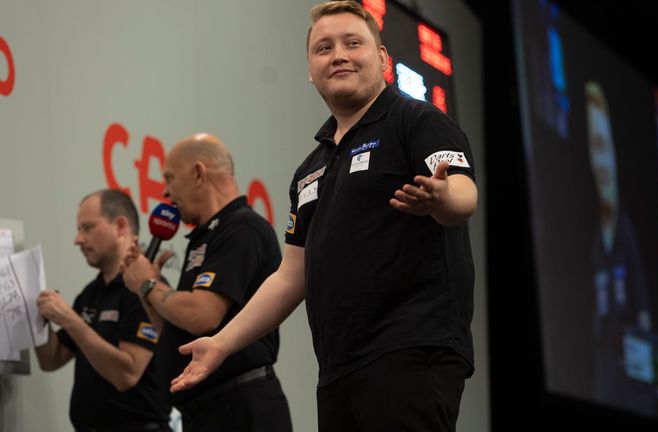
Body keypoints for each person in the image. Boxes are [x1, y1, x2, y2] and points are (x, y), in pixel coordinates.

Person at [170, 2, 478, 431]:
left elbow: (463, 194)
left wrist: (442, 197)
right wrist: (222, 343)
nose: (338, 56)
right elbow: (289, 276)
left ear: (383, 58)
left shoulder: (416, 120)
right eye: (324, 48)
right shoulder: (310, 169)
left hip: (410, 350)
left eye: (353, 43)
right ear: (310, 72)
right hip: (337, 369)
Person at [121, 133, 292, 432]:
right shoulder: (206, 235)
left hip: (240, 410)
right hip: (205, 412)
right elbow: (177, 332)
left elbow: (202, 315)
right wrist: (146, 288)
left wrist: (148, 283)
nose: (166, 192)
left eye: (170, 178)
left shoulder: (241, 227)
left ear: (199, 174)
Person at [34, 189, 170, 432]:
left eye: (87, 228)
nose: (78, 239)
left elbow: (127, 374)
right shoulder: (91, 293)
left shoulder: (147, 289)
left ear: (120, 226)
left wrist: (69, 319)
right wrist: (34, 317)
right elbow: (51, 359)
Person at [585, 81, 658, 415]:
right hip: (606, 365)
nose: (600, 161)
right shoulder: (595, 239)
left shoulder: (627, 229)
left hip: (634, 368)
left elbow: (641, 295)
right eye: (593, 148)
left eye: (604, 146)